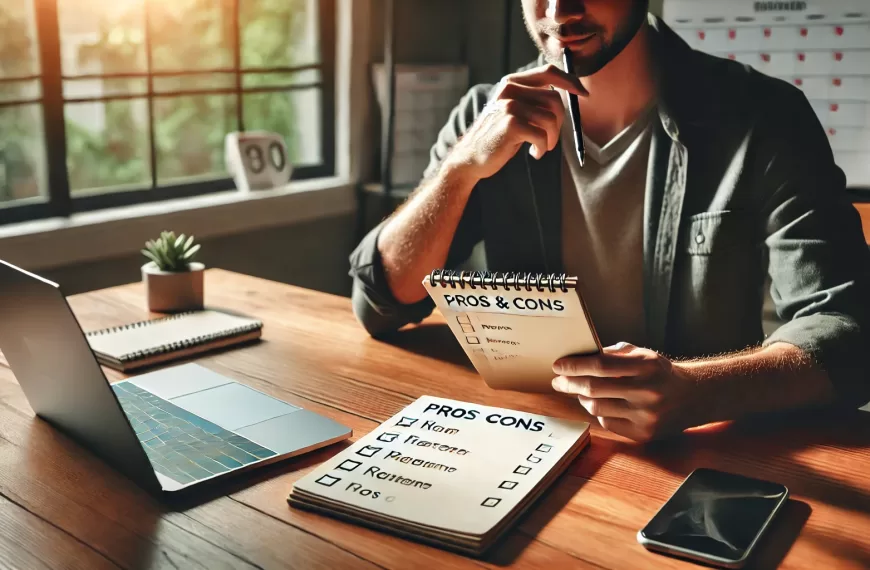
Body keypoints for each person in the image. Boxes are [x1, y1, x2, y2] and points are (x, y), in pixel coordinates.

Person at [349, 0, 870, 441]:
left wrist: (695, 392)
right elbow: (380, 300)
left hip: (703, 453)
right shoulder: (486, 116)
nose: (559, 10)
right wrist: (458, 171)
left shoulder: (764, 116)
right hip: (532, 437)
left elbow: (850, 331)